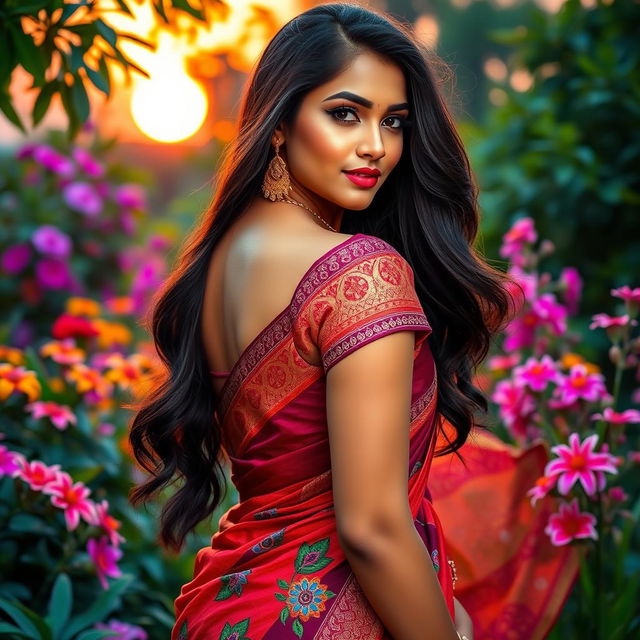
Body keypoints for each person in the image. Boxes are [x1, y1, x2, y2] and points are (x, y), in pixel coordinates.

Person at [128, 3, 516, 639]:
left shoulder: (217, 262)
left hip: (229, 607)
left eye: (393, 122)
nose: (376, 146)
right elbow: (372, 528)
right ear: (280, 122)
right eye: (345, 114)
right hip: (331, 614)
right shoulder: (360, 272)